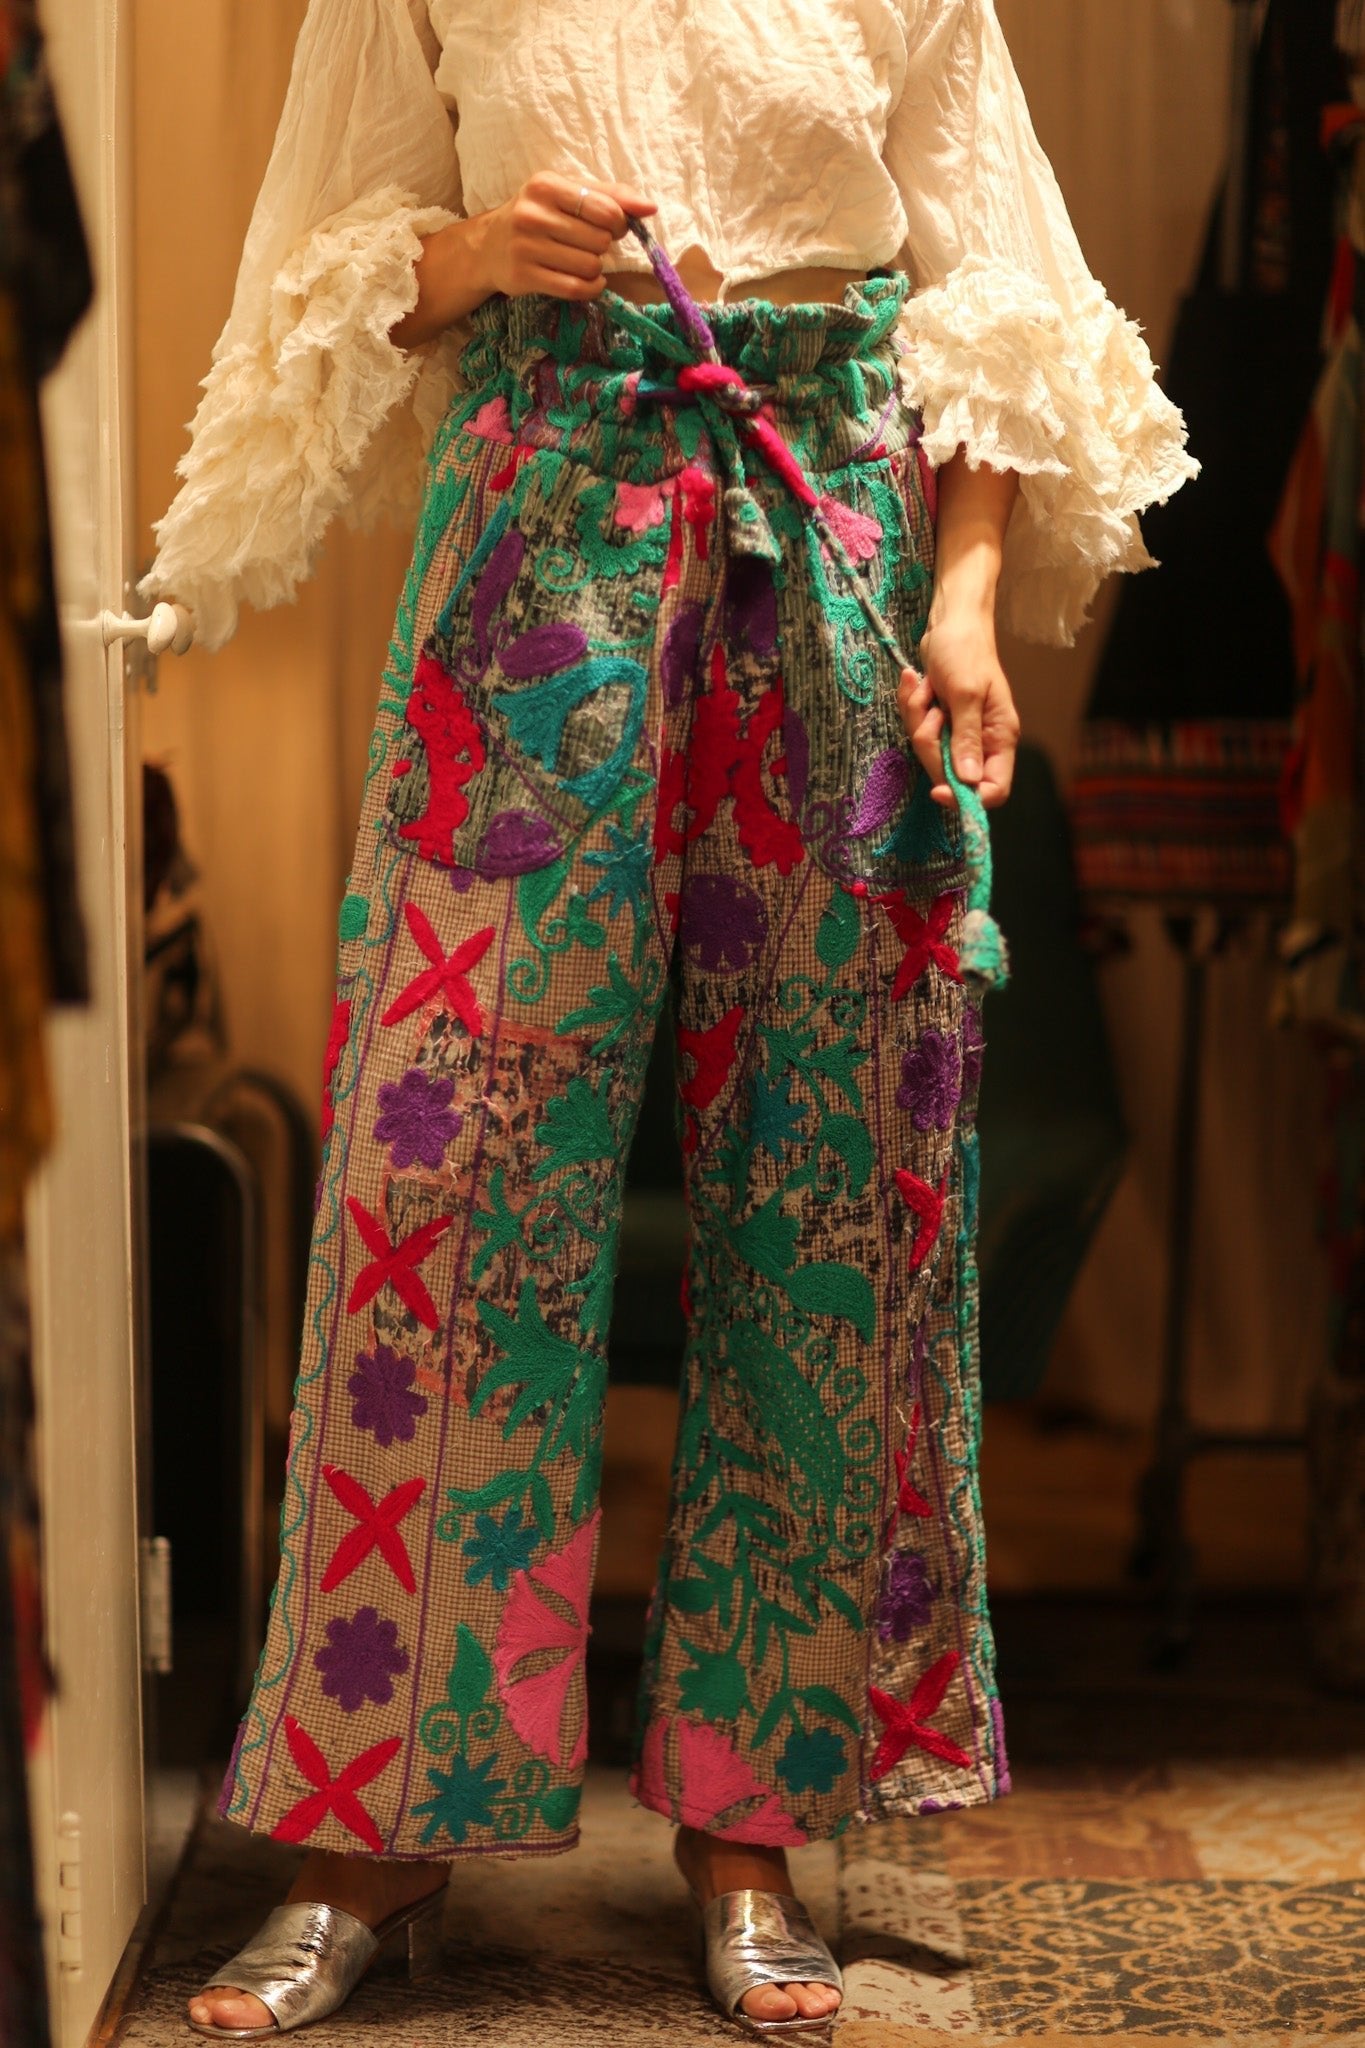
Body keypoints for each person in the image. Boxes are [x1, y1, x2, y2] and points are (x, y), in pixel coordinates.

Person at [142, 0, 1196, 2034]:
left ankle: (750, 1830)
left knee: (827, 1188)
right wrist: (476, 254)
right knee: (438, 1163)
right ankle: (368, 1831)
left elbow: (992, 297)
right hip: (535, 520)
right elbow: (330, 269)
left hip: (829, 521)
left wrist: (964, 602)